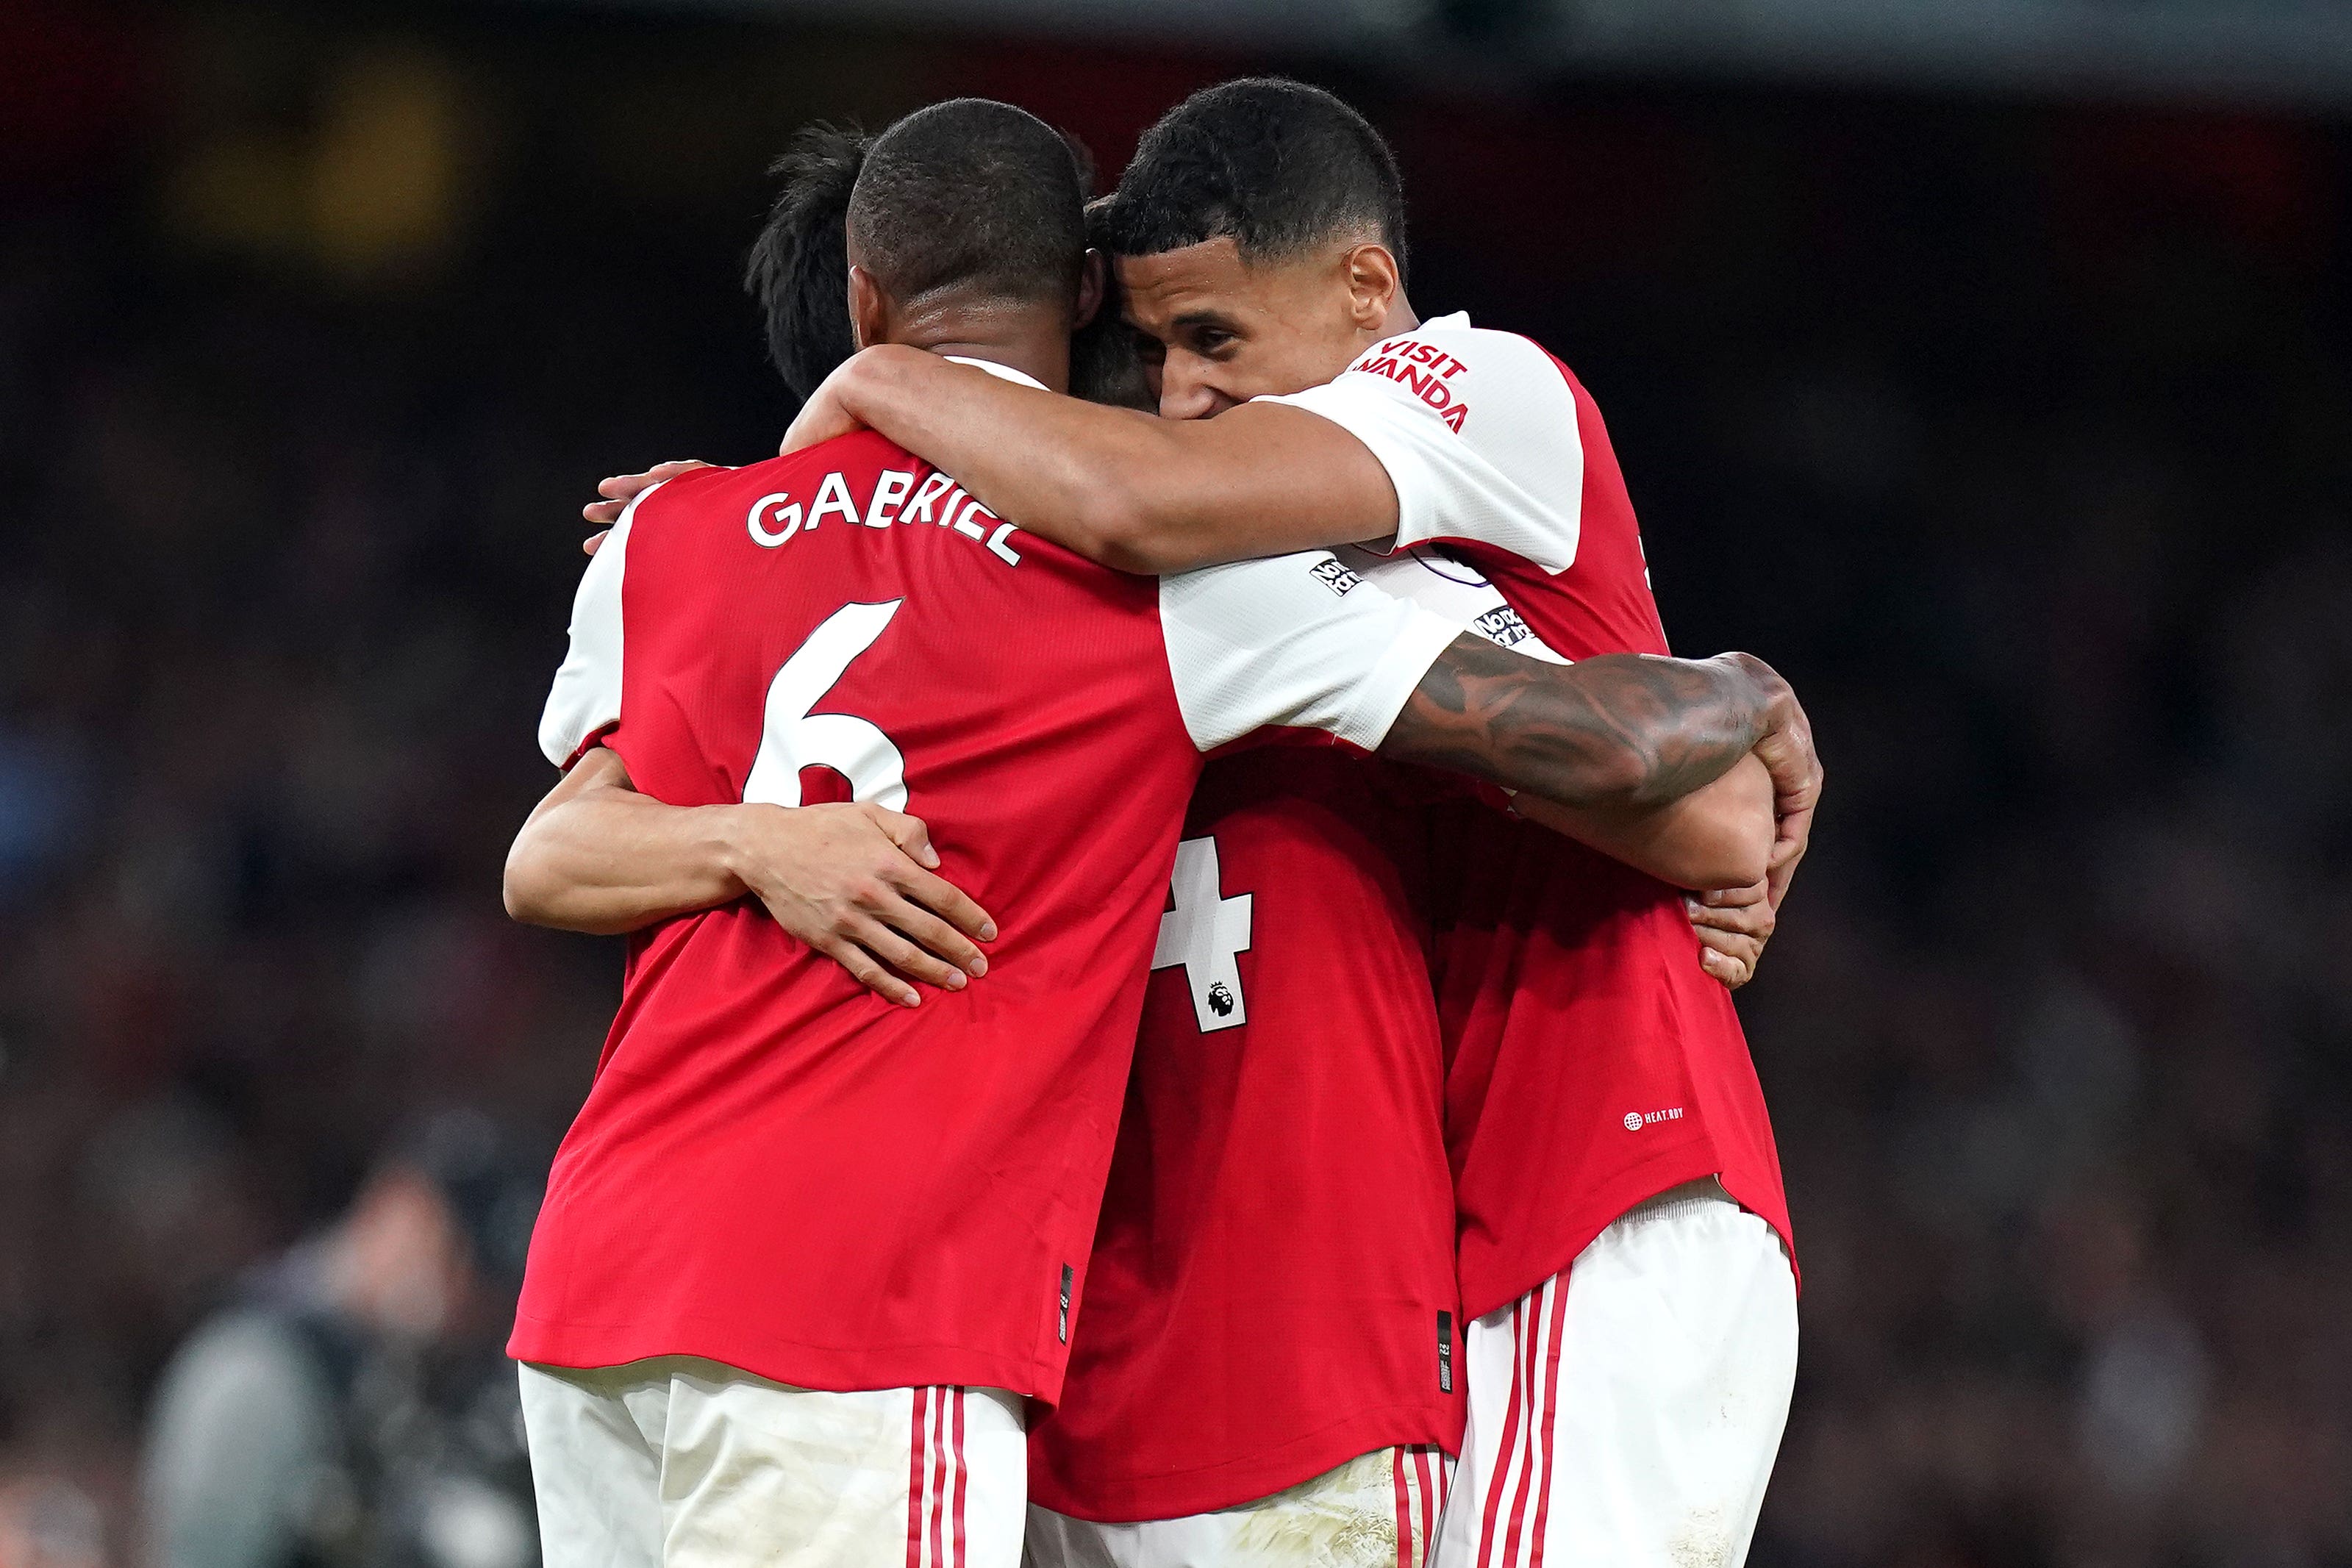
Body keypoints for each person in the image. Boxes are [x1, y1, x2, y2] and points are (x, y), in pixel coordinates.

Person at [506, 96, 1812, 1568]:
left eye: (1211, 341)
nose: (1189, 397)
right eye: (1158, 352)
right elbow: (1710, 809)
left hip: (1579, 1185)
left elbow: (549, 852)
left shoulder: (1464, 399)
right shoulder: (1169, 590)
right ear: (1076, 311)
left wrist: (816, 442)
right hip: (958, 1315)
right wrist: (1749, 693)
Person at [142, 1111, 542, 1568]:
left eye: (488, 1283)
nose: (469, 1301)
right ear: (395, 1208)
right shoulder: (258, 1366)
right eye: (455, 1255)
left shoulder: (437, 1371)